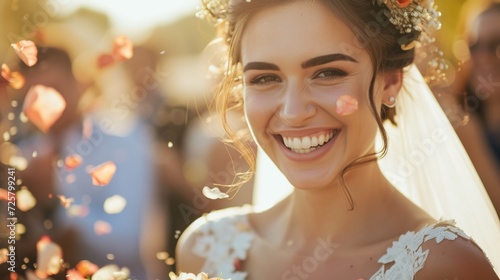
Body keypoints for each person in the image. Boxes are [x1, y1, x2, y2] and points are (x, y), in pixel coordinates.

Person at [176, 0, 500, 279]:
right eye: (265, 78)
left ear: (390, 82)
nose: (293, 112)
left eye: (328, 73)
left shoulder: (445, 267)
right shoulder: (205, 249)